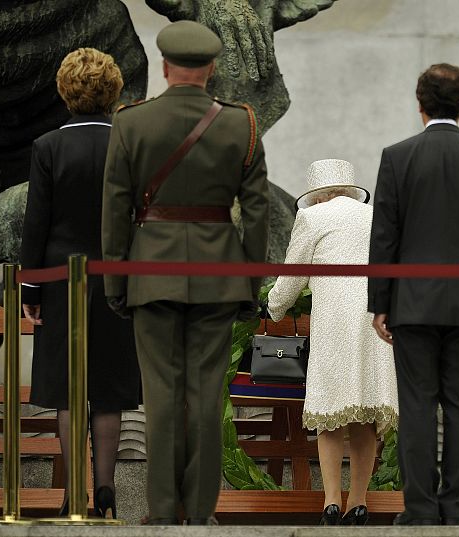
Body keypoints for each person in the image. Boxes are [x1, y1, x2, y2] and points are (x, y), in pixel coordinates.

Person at [101, 21, 269, 525]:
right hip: (219, 274)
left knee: (161, 395)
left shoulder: (131, 123)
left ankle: (161, 509)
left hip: (151, 274)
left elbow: (114, 211)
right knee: (206, 394)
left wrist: (117, 283)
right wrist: (250, 282)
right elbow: (257, 212)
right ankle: (200, 511)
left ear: (167, 66)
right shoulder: (242, 123)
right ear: (212, 69)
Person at [368, 63, 459, 526]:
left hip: (412, 305)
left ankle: (420, 511)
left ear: (419, 104)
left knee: (415, 408)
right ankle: (455, 510)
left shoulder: (397, 156)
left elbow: (385, 235)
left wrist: (381, 303)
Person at [20, 48, 140, 519]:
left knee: (71, 388)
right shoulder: (128, 143)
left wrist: (30, 289)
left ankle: (75, 492)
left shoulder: (47, 146)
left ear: (65, 91)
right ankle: (108, 492)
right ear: (113, 91)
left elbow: (37, 224)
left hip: (60, 278)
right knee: (108, 387)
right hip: (116, 276)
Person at [267, 159, 399, 526]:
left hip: (334, 322)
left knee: (330, 415)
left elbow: (292, 275)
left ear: (317, 195)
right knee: (366, 415)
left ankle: (330, 502)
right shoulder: (374, 215)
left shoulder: (312, 219)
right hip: (375, 319)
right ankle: (358, 503)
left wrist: (273, 308)